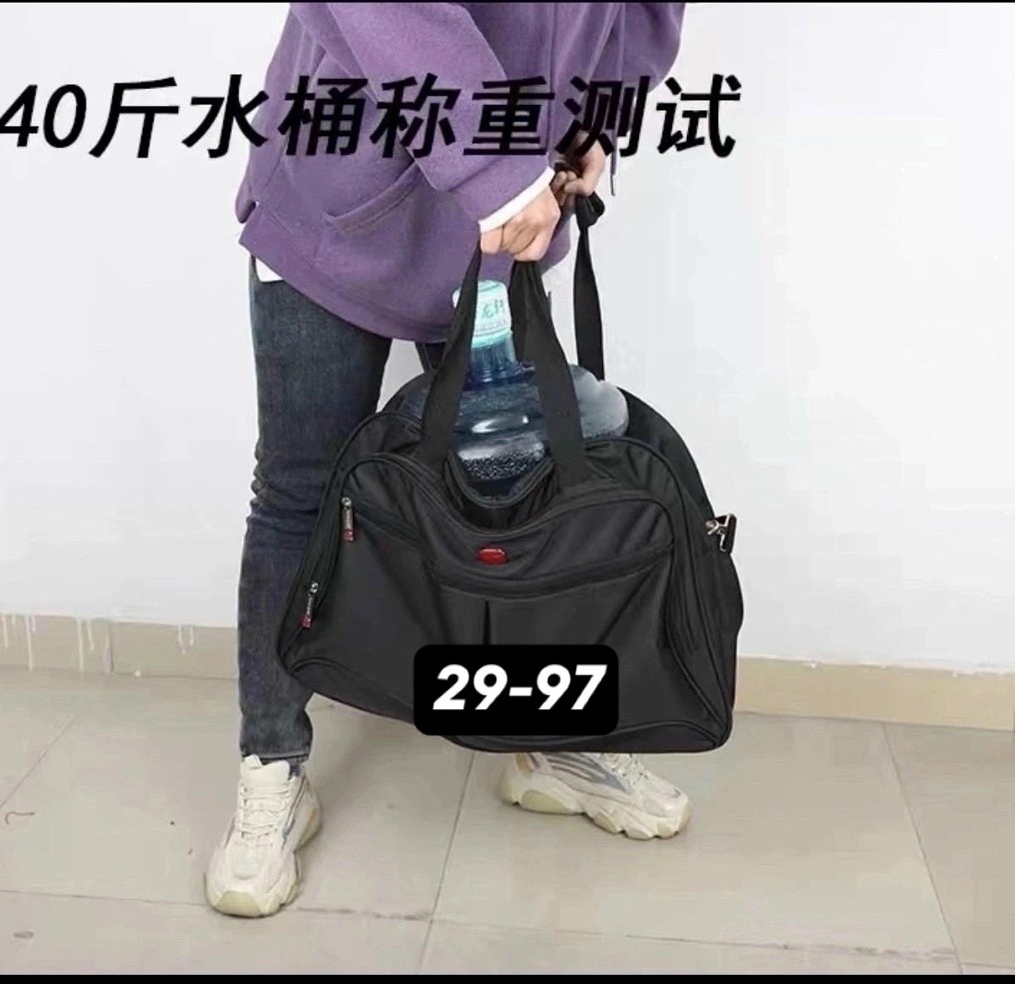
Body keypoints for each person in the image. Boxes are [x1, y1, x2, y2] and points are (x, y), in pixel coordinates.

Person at [206, 2, 690, 918]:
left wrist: (598, 115)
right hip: (341, 203)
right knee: (301, 494)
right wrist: (496, 172)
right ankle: (272, 765)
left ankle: (548, 741)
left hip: (508, 206)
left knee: (519, 492)